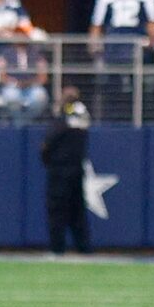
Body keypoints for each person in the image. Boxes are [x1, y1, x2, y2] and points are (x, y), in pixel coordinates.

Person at [41, 99, 92, 255]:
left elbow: (47, 145)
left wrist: (49, 160)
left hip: (60, 171)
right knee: (77, 211)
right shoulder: (81, 122)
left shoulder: (61, 123)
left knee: (58, 210)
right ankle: (83, 247)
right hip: (76, 170)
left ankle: (57, 248)